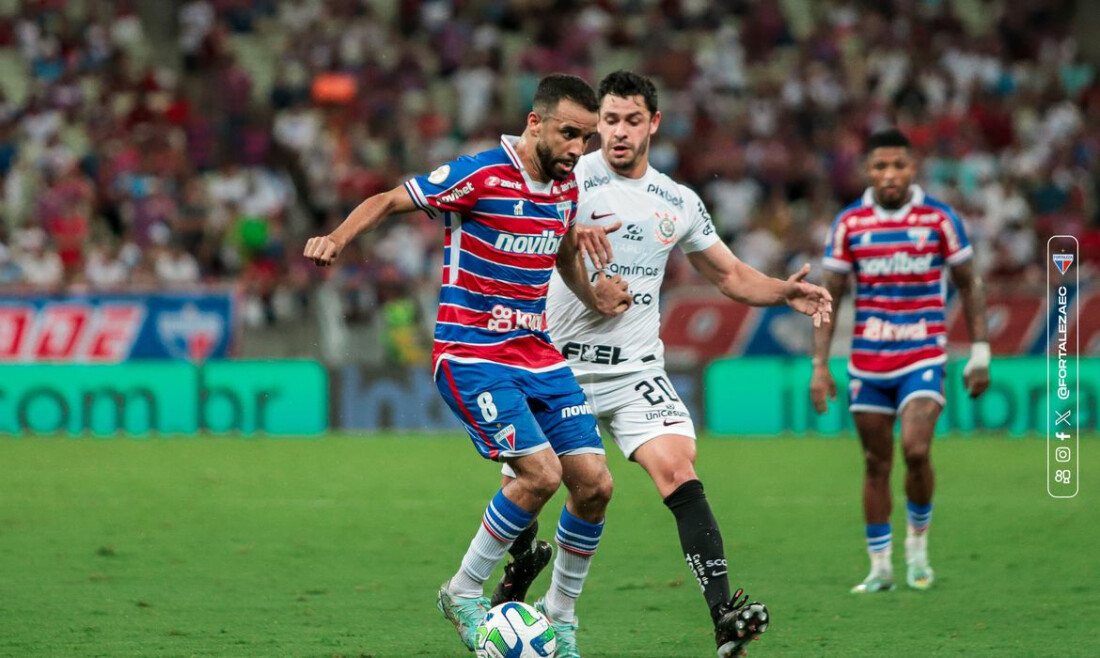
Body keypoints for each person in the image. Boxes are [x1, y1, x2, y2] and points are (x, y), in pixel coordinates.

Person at [493, 70, 834, 658]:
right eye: (608, 120)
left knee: (678, 468)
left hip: (633, 369)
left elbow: (728, 274)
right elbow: (519, 221)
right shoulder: (563, 177)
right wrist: (572, 237)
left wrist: (784, 291)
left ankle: (717, 614)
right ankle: (517, 565)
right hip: (555, 363)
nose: (617, 133)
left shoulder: (678, 201)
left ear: (653, 123)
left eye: (631, 120)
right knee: (548, 488)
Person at [303, 74, 632, 657]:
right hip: (472, 352)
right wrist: (336, 237)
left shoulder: (565, 186)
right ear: (536, 123)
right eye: (569, 134)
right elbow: (386, 199)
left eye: (587, 139)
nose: (579, 149)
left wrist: (591, 298)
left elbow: (559, 250)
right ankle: (463, 590)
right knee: (540, 475)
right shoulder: (478, 174)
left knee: (596, 486)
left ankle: (559, 616)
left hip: (538, 352)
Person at [809, 128, 991, 593]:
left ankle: (917, 550)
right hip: (868, 360)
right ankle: (881, 567)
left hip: (923, 352)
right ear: (867, 171)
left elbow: (969, 284)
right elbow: (829, 296)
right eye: (880, 166)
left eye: (898, 165)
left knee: (915, 449)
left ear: (914, 168)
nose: (890, 174)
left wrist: (980, 350)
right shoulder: (850, 224)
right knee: (875, 462)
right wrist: (819, 366)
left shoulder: (939, 219)